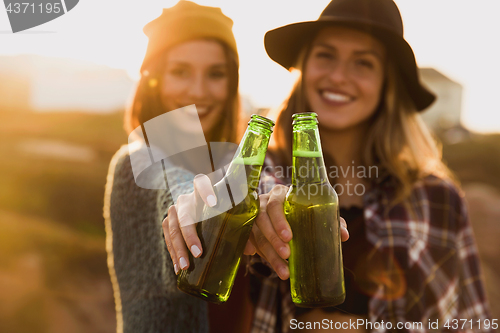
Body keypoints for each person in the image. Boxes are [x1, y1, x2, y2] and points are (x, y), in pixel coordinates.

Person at [164, 0, 492, 332]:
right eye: (326, 55)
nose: (338, 76)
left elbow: (471, 321)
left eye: (363, 63)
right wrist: (195, 216)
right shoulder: (253, 180)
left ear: (386, 84)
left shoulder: (438, 199)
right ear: (303, 66)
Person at [103, 1, 244, 332]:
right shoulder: (134, 165)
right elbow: (172, 188)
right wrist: (191, 202)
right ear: (154, 79)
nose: (197, 91)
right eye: (180, 71)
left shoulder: (237, 164)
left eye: (216, 74)